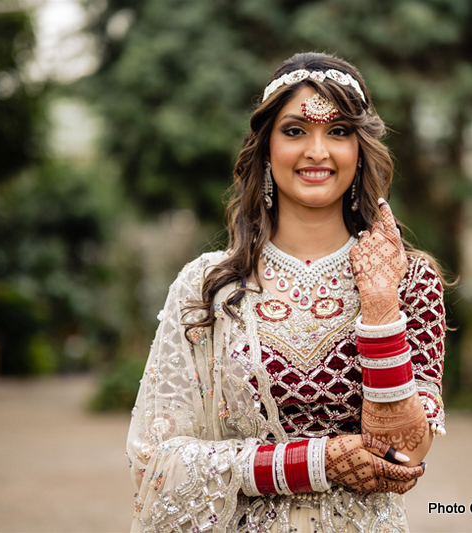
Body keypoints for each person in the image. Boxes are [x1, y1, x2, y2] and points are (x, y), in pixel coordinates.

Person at [127, 52, 447, 533]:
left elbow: (404, 453)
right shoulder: (206, 286)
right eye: (295, 130)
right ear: (265, 148)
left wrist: (380, 307)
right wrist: (315, 461)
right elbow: (155, 461)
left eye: (338, 131)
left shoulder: (409, 280)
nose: (316, 151)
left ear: (359, 149)